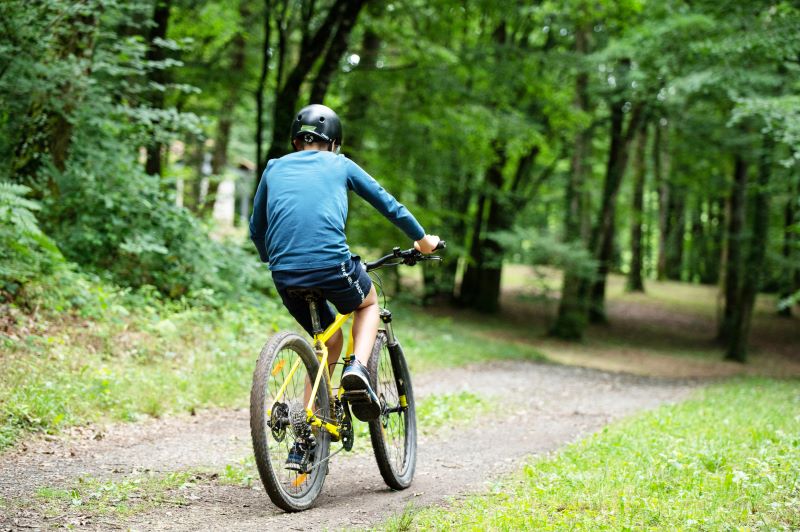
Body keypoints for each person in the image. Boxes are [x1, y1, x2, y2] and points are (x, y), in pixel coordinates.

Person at [249, 104, 439, 468]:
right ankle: (358, 369)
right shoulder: (340, 164)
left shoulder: (274, 168)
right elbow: (389, 205)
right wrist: (421, 238)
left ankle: (305, 436)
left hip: (285, 273)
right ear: (334, 143)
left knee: (328, 341)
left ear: (294, 141)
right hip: (331, 265)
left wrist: (272, 257)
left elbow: (257, 230)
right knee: (366, 304)